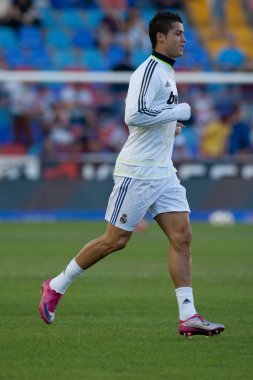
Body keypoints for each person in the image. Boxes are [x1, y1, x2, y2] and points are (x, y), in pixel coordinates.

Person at [39, 10, 225, 337]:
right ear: (160, 37)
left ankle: (188, 316)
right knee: (116, 240)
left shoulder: (167, 72)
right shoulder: (149, 70)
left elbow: (152, 118)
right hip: (137, 172)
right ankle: (56, 285)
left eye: (184, 33)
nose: (184, 39)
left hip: (162, 171)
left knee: (182, 236)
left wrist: (170, 125)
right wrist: (175, 112)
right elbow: (134, 115)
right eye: (178, 33)